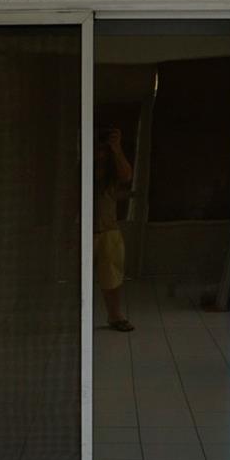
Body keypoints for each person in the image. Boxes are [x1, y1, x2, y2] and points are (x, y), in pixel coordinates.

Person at [93, 124, 135, 331]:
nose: (100, 152)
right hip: (85, 230)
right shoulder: (83, 169)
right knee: (77, 276)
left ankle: (115, 316)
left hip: (108, 229)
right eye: (98, 147)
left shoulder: (112, 170)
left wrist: (116, 148)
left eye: (103, 147)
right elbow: (71, 199)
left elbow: (127, 176)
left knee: (112, 276)